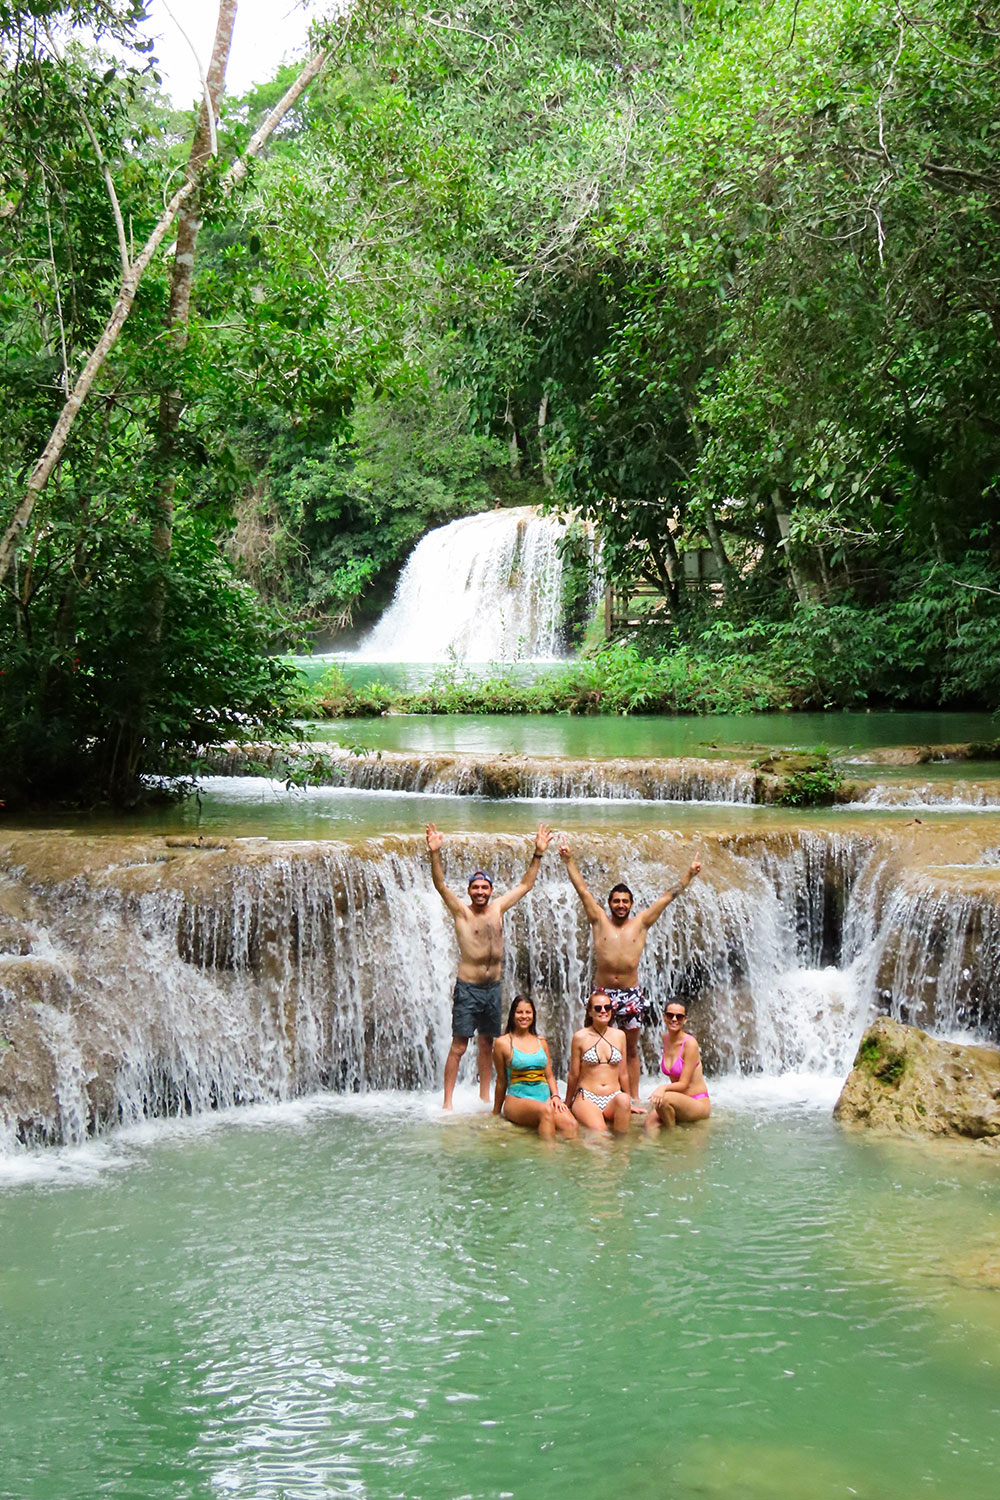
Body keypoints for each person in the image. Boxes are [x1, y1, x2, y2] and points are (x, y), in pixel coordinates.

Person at [559, 841, 702, 1102]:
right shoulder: (598, 919)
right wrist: (569, 861)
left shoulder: (642, 922)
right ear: (610, 903)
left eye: (625, 901)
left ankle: (632, 1098)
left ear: (631, 904)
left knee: (631, 1049)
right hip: (602, 995)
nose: (621, 905)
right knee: (590, 1045)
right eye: (616, 901)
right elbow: (582, 890)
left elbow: (668, 897)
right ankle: (587, 1093)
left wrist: (689, 875)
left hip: (632, 995)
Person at [427, 821, 552, 1109]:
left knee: (488, 1043)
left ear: (491, 890)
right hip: (468, 988)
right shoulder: (461, 912)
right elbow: (440, 885)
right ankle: (447, 1103)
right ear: (469, 891)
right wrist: (435, 853)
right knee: (459, 1046)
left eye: (484, 887)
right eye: (475, 887)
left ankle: (484, 1097)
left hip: (493, 988)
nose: (480, 891)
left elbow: (525, 884)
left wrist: (538, 853)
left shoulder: (498, 907)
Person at [492, 996, 578, 1139]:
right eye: (520, 1012)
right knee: (545, 1112)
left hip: (544, 1099)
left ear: (533, 1015)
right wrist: (496, 1112)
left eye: (528, 1012)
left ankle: (571, 1160)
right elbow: (501, 1081)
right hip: (517, 1099)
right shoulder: (503, 1043)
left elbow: (549, 1075)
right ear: (513, 1014)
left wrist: (556, 1097)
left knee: (571, 1125)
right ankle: (547, 1158)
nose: (524, 1016)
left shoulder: (541, 1041)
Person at [564, 989, 632, 1134]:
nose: (603, 1011)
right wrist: (567, 1103)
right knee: (601, 1135)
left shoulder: (620, 1036)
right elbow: (574, 1074)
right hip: (587, 1096)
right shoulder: (580, 1037)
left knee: (624, 1101)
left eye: (607, 1007)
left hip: (613, 1096)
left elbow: (623, 1073)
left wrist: (630, 1101)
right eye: (598, 1008)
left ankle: (622, 1154)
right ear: (590, 1012)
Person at [645, 1002, 711, 1130]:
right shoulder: (665, 1039)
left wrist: (662, 1088)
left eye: (679, 1017)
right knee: (649, 1125)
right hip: (677, 1100)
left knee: (663, 1100)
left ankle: (672, 1134)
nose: (674, 1019)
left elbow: (684, 1084)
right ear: (664, 1017)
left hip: (697, 1102)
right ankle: (659, 1149)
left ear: (685, 1020)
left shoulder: (690, 1044)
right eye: (670, 1015)